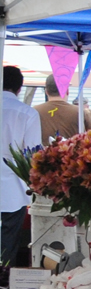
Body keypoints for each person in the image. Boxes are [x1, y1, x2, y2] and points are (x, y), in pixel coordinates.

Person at [1, 66, 43, 267]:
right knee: (7, 244)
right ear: (19, 88)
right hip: (13, 191)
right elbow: (33, 155)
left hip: (14, 190)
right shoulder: (27, 113)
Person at [35, 75, 81, 141]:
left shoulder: (34, 111)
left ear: (46, 92)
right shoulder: (81, 112)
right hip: (73, 147)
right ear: (67, 91)